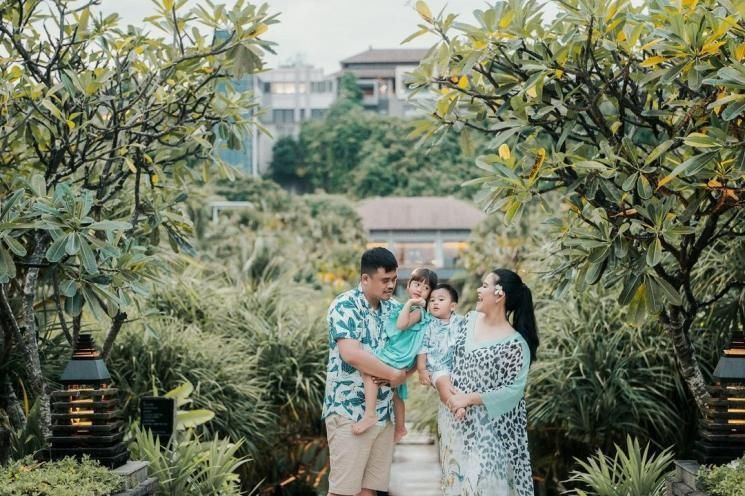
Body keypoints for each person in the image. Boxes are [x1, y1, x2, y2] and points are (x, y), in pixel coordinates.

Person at [433, 269, 539, 495]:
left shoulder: (515, 344)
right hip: (456, 432)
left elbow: (513, 391)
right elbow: (442, 358)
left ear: (499, 294)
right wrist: (445, 387)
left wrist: (469, 398)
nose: (478, 290)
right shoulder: (467, 322)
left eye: (484, 285)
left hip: (491, 441)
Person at [322, 247, 407, 496]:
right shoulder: (345, 305)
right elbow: (351, 354)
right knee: (342, 491)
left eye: (394, 279)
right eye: (385, 280)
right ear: (365, 279)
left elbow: (409, 350)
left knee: (369, 491)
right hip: (349, 411)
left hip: (385, 411)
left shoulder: (394, 309)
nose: (391, 285)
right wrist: (393, 374)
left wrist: (404, 373)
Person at [353, 267, 438, 444]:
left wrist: (408, 304)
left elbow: (401, 325)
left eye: (426, 288)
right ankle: (401, 427)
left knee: (368, 371)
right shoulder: (409, 308)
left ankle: (369, 414)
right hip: (402, 356)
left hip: (397, 354)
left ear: (429, 294)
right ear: (408, 285)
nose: (419, 289)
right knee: (396, 394)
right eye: (416, 284)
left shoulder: (418, 311)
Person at [416, 283, 463, 387]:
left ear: (452, 306)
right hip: (437, 368)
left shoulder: (461, 321)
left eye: (441, 300)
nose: (435, 303)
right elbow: (422, 347)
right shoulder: (428, 324)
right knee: (444, 383)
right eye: (432, 300)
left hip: (459, 367)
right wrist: (422, 370)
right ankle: (453, 402)